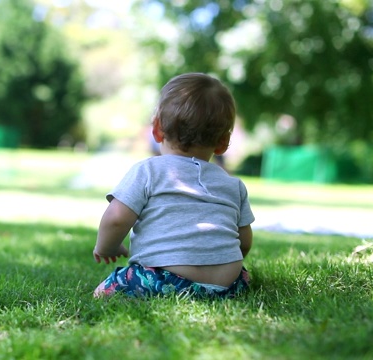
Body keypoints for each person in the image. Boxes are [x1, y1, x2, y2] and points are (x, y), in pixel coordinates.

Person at [92, 72, 254, 300]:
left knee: (106, 290)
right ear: (223, 143)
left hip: (165, 280)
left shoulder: (148, 171)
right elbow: (244, 240)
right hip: (229, 285)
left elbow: (117, 217)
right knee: (242, 277)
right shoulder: (232, 184)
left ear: (157, 129)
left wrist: (106, 248)